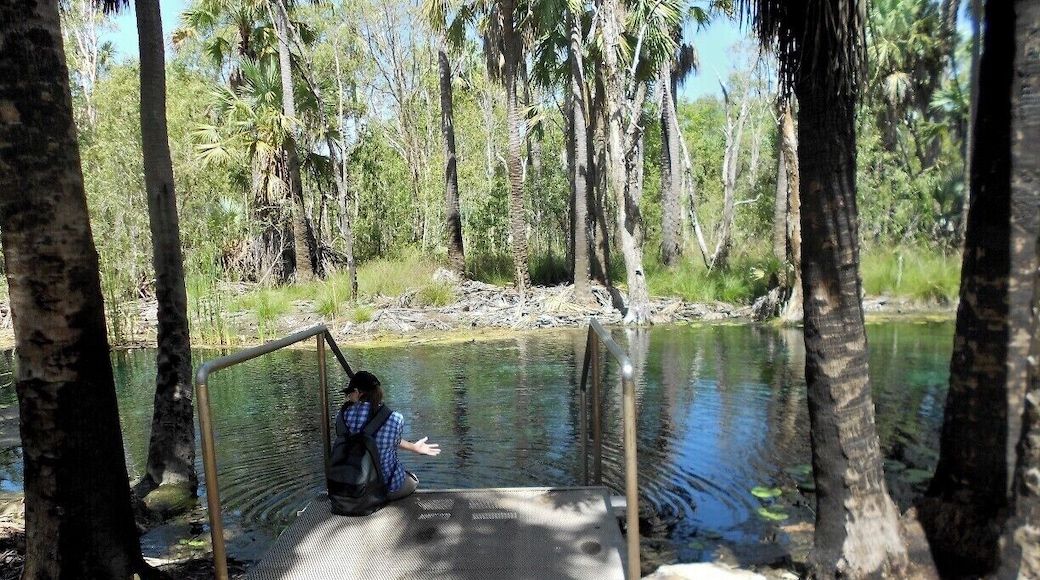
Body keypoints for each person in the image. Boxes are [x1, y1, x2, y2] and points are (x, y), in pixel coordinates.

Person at [341, 370, 440, 501]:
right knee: (413, 479)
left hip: (349, 489)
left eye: (349, 393)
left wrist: (414, 447)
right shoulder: (395, 418)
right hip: (386, 489)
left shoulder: (342, 416)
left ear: (358, 392)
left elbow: (373, 438)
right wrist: (415, 448)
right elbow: (388, 440)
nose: (348, 397)